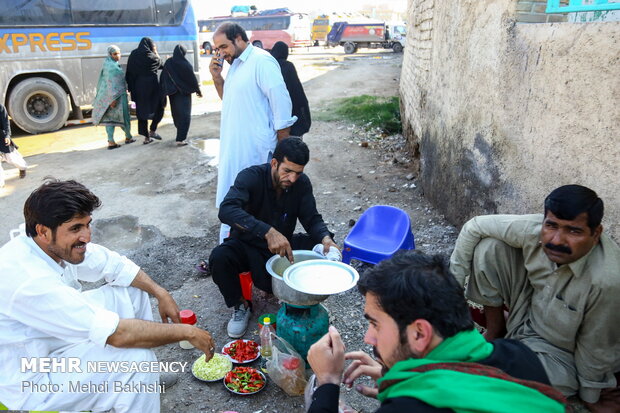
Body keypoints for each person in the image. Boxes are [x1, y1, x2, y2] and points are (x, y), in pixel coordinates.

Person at [0, 179, 215, 412]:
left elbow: (113, 265)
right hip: (36, 378)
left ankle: (142, 383)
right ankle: (134, 381)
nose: (87, 237)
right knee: (136, 362)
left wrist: (160, 292)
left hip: (53, 335)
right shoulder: (29, 281)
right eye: (75, 228)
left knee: (132, 289)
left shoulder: (44, 241)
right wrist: (186, 331)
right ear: (42, 231)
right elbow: (117, 334)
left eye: (87, 225)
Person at [307, 251, 569, 413]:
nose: (368, 337)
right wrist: (399, 377)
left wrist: (328, 381)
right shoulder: (519, 355)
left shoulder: (411, 407)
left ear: (420, 334)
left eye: (375, 324)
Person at [450, 184, 620, 411]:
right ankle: (496, 333)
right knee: (490, 247)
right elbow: (474, 227)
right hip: (528, 310)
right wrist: (450, 293)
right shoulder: (534, 229)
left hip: (561, 353)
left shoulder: (607, 280)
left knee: (491, 383)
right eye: (551, 225)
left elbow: (596, 345)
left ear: (596, 234)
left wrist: (591, 397)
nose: (557, 240)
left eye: (573, 231)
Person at [208, 138, 338, 338]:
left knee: (321, 247)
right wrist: (267, 231)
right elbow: (226, 210)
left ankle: (304, 302)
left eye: (298, 173)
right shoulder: (250, 177)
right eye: (287, 171)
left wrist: (325, 238)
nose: (292, 178)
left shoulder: (301, 184)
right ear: (274, 163)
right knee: (219, 257)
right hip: (247, 244)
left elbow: (311, 218)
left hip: (281, 247)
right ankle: (240, 305)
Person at [209, 22, 297, 243]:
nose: (220, 53)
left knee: (252, 204)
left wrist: (282, 156)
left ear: (239, 38)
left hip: (254, 151)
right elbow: (229, 100)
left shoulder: (261, 61)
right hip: (234, 147)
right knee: (232, 201)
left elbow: (282, 109)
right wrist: (217, 77)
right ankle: (228, 249)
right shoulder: (236, 65)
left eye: (223, 47)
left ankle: (252, 255)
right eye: (217, 49)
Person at [92, 45, 135, 149]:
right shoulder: (111, 66)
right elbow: (111, 83)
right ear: (110, 54)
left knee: (110, 119)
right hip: (116, 97)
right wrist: (112, 99)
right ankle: (127, 137)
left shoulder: (110, 64)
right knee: (123, 117)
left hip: (112, 97)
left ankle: (112, 141)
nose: (118, 56)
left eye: (119, 53)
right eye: (115, 54)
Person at [160, 44, 202, 146]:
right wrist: (197, 90)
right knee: (185, 115)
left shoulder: (169, 62)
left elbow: (163, 77)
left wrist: (165, 90)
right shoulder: (185, 64)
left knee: (176, 114)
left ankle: (180, 133)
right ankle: (180, 138)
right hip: (184, 94)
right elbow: (191, 79)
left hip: (173, 94)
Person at [126, 37, 164, 144]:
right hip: (152, 88)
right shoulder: (152, 56)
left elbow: (129, 72)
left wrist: (130, 88)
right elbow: (162, 64)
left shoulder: (134, 54)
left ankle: (146, 137)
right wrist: (156, 52)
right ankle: (152, 130)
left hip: (138, 88)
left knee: (141, 112)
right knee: (159, 108)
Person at [270, 41, 311, 138]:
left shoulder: (270, 66)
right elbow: (298, 92)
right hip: (292, 116)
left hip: (274, 117)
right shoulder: (288, 66)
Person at [0, 103, 27, 187]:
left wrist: (7, 135)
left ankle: (23, 168)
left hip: (2, 137)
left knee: (11, 159)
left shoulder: (0, 107)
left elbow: (6, 122)